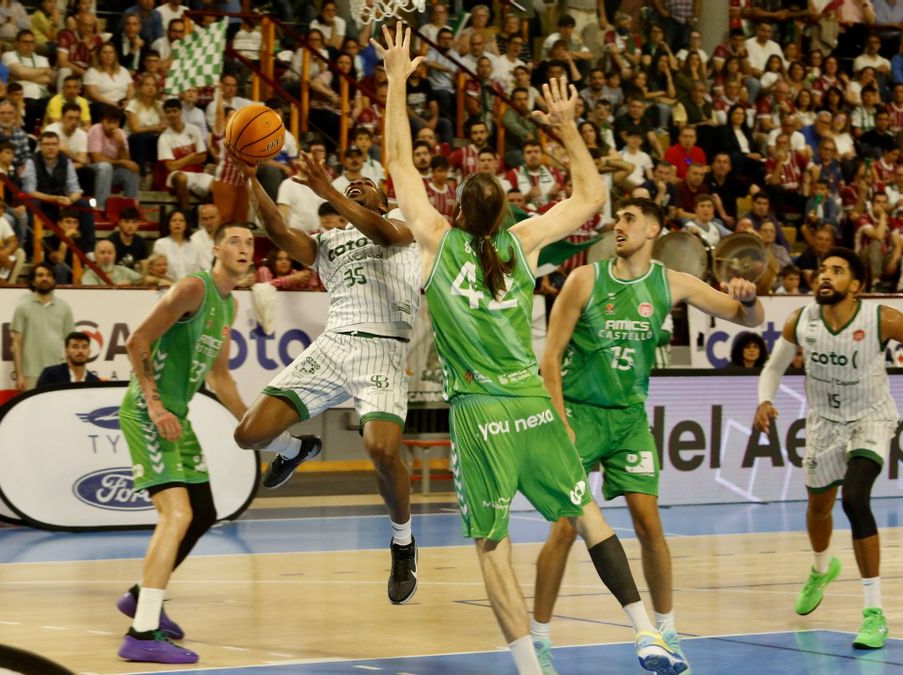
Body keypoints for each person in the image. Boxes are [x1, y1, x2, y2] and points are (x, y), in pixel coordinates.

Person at [375, 25, 683, 675]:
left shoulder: (433, 238)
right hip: (534, 403)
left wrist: (397, 83)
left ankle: (531, 667)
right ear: (504, 210)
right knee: (590, 516)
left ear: (456, 210)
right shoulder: (523, 242)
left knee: (493, 546)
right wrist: (567, 124)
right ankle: (646, 631)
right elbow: (592, 198)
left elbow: (399, 164)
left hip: (482, 414)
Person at [533, 196, 763, 672]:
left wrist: (749, 296)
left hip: (630, 419)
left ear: (654, 230)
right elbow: (550, 358)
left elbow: (748, 319)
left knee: (649, 525)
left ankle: (668, 631)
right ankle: (539, 640)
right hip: (579, 413)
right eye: (618, 218)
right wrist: (560, 420)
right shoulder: (584, 280)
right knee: (564, 530)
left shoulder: (671, 282)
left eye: (630, 219)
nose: (619, 225)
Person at [234, 145, 422, 605]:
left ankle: (402, 543)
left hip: (383, 348)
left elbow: (382, 232)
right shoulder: (330, 241)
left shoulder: (403, 223)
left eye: (366, 184)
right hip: (335, 343)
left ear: (383, 196)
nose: (356, 185)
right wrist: (249, 175)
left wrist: (329, 191)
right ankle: (297, 449)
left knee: (380, 448)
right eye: (349, 185)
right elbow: (277, 231)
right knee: (249, 434)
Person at [754, 247, 903, 651]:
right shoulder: (802, 320)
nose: (824, 276)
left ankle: (874, 613)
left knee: (855, 497)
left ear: (856, 285)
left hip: (871, 418)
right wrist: (764, 398)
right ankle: (820, 569)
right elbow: (774, 366)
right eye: (822, 269)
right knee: (818, 508)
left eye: (837, 271)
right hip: (823, 424)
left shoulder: (881, 319)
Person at [115, 222, 252, 664]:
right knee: (177, 514)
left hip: (178, 416)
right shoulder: (194, 288)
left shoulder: (229, 307)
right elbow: (137, 340)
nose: (244, 247)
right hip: (148, 412)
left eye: (251, 242)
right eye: (235, 240)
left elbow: (219, 376)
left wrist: (252, 424)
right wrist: (155, 405)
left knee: (203, 513)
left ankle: (141, 597)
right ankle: (142, 633)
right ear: (215, 250)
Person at [11, 263, 74, 390]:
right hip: (31, 373)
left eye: (48, 275)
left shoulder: (64, 307)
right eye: (40, 275)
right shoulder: (22, 307)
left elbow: (70, 343)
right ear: (33, 281)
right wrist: (19, 375)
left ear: (54, 280)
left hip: (58, 373)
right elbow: (16, 343)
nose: (45, 278)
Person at [158, 98, 210, 212]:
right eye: (168, 112)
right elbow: (170, 166)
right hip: (175, 175)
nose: (171, 114)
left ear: (181, 112)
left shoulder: (194, 130)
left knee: (216, 184)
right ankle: (185, 214)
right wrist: (190, 157)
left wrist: (179, 162)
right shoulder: (164, 137)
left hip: (197, 173)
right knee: (181, 178)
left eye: (174, 111)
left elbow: (202, 157)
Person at [36, 331, 100, 385]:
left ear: (89, 352)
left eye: (84, 347)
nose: (80, 351)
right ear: (66, 351)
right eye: (75, 347)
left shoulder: (94, 381)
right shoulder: (50, 375)